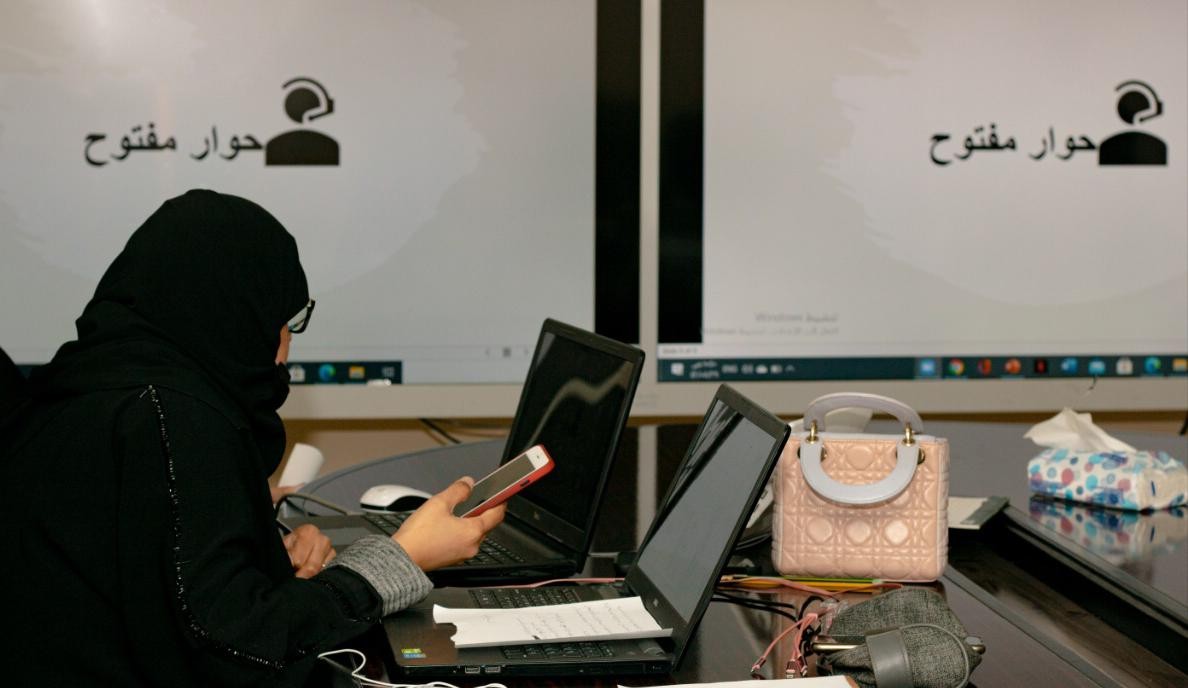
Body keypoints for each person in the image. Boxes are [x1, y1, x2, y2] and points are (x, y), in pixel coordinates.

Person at [0, 190, 504, 686]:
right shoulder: (176, 418)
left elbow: (156, 576)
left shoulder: (84, 388)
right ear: (240, 311)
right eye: (284, 319)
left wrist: (262, 552)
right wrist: (403, 558)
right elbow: (235, 650)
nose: (286, 343)